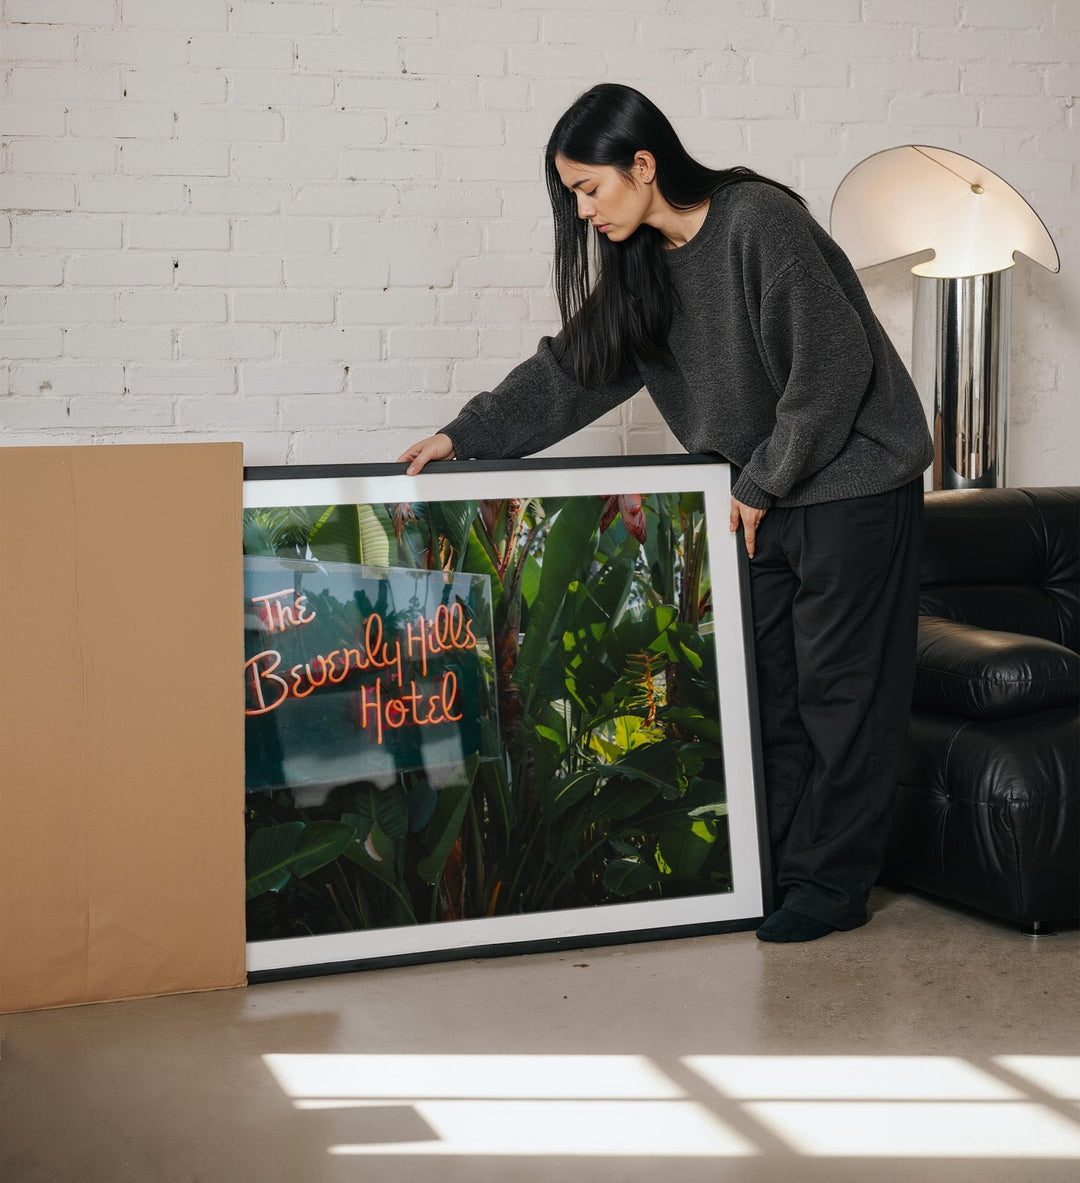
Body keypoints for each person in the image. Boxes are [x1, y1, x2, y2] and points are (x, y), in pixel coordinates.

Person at [398, 83, 934, 943]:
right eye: (571, 195)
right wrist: (467, 435)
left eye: (590, 189)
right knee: (771, 696)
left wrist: (762, 481)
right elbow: (574, 370)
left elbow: (831, 370)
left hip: (850, 480)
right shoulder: (643, 263)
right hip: (762, 493)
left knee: (844, 696)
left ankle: (829, 888)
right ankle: (780, 873)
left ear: (643, 165)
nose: (582, 212)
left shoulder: (758, 222)